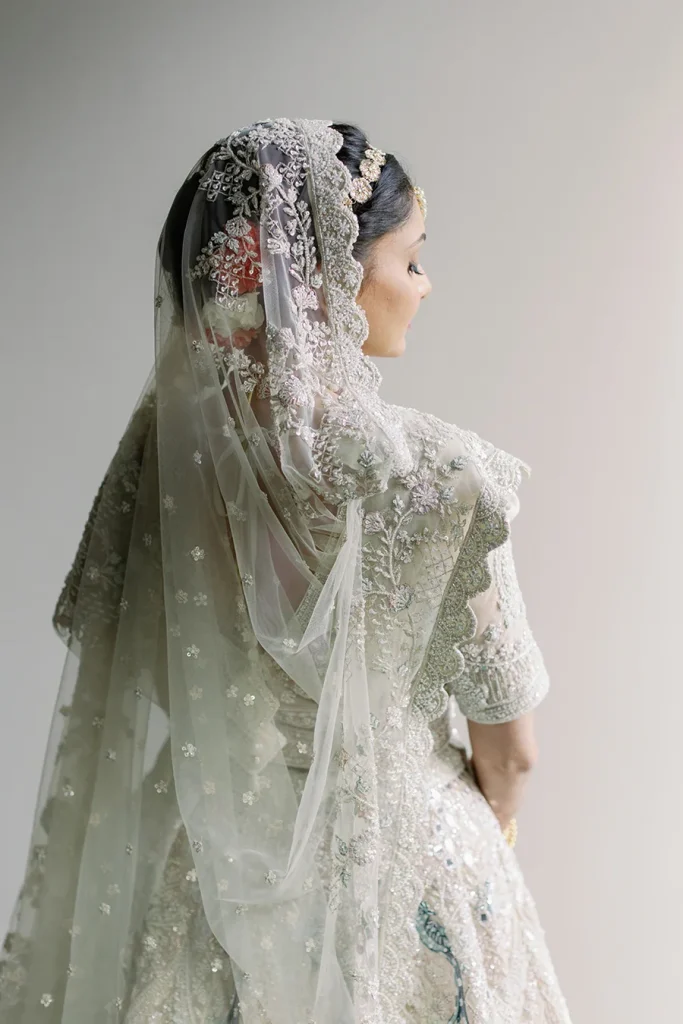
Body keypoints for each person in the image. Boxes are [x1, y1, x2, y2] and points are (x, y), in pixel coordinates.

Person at [0, 117, 572, 1023]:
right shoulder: (443, 475)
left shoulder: (163, 463)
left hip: (221, 882)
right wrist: (491, 829)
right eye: (412, 259)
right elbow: (511, 746)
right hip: (414, 877)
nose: (424, 285)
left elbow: (136, 663)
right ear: (332, 277)